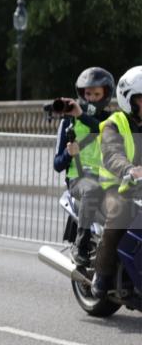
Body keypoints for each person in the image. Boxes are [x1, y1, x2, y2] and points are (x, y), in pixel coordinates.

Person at [52, 67, 117, 266]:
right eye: (88, 94)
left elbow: (100, 128)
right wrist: (67, 154)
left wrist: (81, 115)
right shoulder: (68, 123)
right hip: (80, 179)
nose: (91, 98)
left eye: (97, 94)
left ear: (105, 95)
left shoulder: (111, 120)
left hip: (108, 179)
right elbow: (57, 164)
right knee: (91, 188)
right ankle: (81, 245)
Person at [92, 65, 142, 298]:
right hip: (118, 187)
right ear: (129, 100)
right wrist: (130, 170)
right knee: (120, 212)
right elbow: (112, 153)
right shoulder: (114, 123)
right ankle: (101, 275)